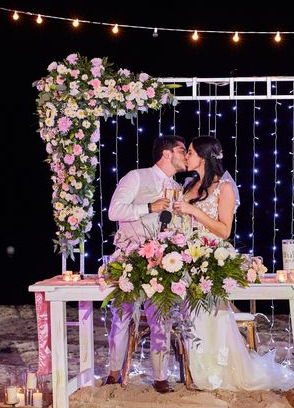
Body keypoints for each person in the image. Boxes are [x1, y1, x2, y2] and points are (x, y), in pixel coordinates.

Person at [172, 136, 294, 391]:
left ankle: (218, 374)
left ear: (204, 157)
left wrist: (195, 212)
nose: (187, 157)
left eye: (191, 152)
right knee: (189, 318)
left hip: (209, 261)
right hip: (186, 259)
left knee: (212, 319)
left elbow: (224, 230)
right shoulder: (187, 185)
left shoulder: (224, 188)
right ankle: (194, 372)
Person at [106, 135, 187, 393]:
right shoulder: (137, 177)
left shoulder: (177, 186)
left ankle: (161, 377)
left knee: (161, 318)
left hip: (163, 261)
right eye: (182, 150)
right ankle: (114, 372)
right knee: (122, 317)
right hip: (131, 257)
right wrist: (149, 206)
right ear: (166, 153)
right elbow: (114, 211)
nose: (186, 155)